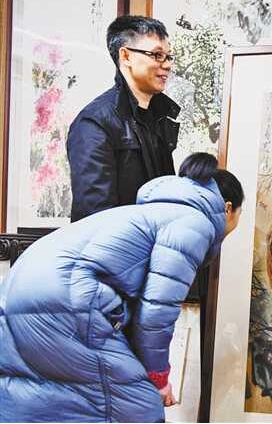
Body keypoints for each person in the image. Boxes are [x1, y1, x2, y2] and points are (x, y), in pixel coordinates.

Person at [0, 153, 243, 422]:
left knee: (36, 397)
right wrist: (158, 378)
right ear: (228, 209)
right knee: (139, 407)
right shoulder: (195, 223)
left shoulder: (147, 213)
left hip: (17, 286)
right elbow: (157, 312)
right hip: (68, 295)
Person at [67, 15, 181, 222]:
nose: (167, 65)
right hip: (116, 241)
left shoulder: (159, 117)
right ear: (126, 56)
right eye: (157, 55)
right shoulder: (94, 123)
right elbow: (95, 218)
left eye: (168, 56)